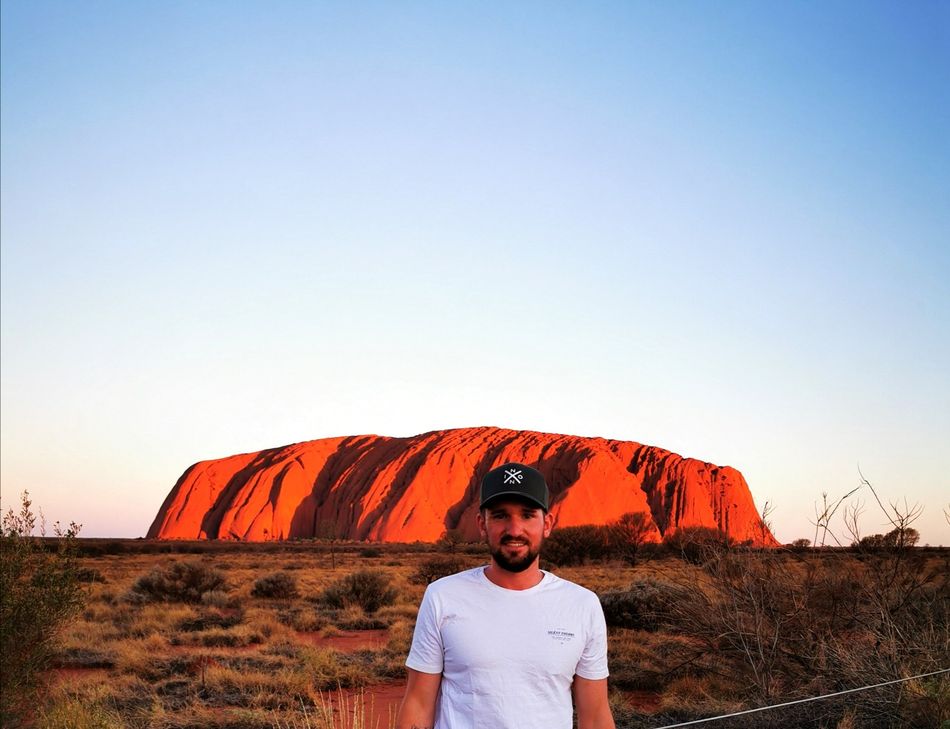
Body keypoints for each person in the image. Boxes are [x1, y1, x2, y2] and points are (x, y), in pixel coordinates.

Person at [396, 462, 616, 729]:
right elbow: (418, 705)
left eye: (527, 515)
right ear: (482, 524)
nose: (514, 530)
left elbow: (595, 716)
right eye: (500, 516)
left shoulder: (582, 605)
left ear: (547, 524)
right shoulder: (443, 596)